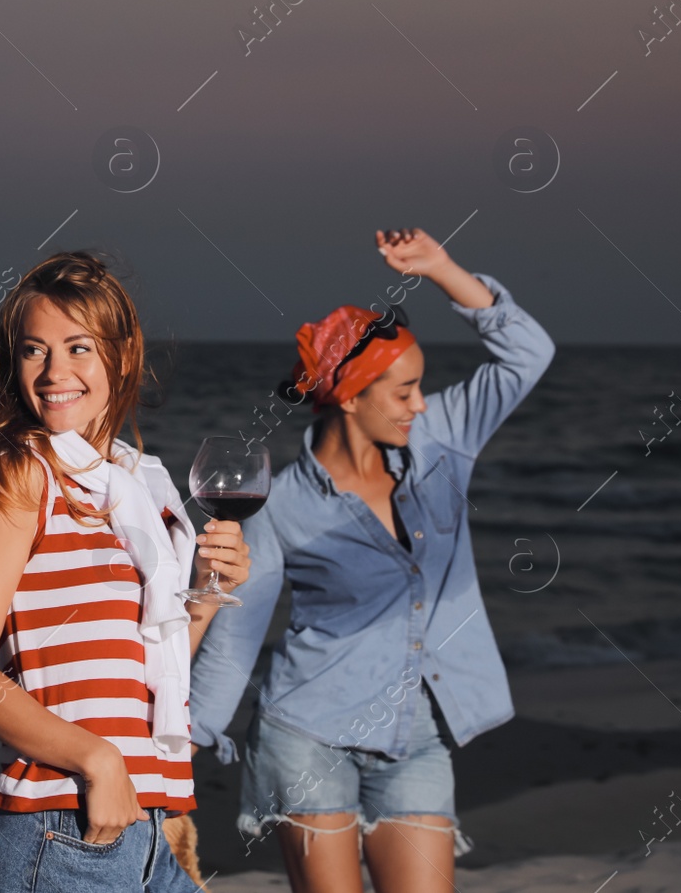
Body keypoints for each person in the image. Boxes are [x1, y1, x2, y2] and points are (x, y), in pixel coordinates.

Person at [186, 228, 555, 893]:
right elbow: (236, 642)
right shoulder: (278, 503)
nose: (421, 403)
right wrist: (174, 754)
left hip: (415, 734)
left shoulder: (441, 439)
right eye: (405, 390)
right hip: (306, 736)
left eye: (422, 387)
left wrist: (443, 269)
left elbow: (529, 353)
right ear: (350, 397)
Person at [0, 252, 251, 893]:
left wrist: (207, 595)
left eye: (79, 347)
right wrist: (97, 759)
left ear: (121, 354)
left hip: (141, 827)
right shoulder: (23, 472)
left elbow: (146, 669)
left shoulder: (138, 484)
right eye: (34, 351)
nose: (55, 372)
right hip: (56, 830)